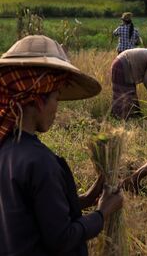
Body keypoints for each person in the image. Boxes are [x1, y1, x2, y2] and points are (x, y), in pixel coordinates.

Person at [0, 35, 124, 256]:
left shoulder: (6, 149)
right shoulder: (40, 162)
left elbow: (26, 211)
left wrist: (85, 198)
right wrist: (102, 213)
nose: (57, 109)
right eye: (56, 98)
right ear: (38, 100)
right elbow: (62, 239)